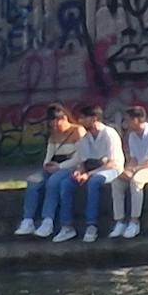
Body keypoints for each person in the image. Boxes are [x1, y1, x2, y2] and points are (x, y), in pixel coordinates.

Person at [46, 104, 123, 243]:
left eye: (83, 118)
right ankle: (66, 227)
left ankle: (91, 225)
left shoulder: (109, 134)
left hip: (111, 170)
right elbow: (83, 162)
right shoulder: (86, 138)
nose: (80, 121)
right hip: (91, 170)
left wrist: (88, 175)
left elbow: (112, 163)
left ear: (94, 119)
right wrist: (79, 172)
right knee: (66, 183)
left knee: (93, 183)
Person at [15, 103, 82, 236]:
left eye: (58, 124)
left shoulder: (77, 131)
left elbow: (79, 158)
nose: (56, 128)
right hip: (54, 166)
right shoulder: (53, 134)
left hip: (69, 166)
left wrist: (59, 167)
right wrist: (47, 165)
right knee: (33, 181)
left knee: (53, 182)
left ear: (64, 119)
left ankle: (48, 220)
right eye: (52, 125)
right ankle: (28, 220)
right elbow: (49, 154)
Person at [109, 104, 148, 239]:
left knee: (137, 180)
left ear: (136, 120)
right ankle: (119, 221)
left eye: (127, 120)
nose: (125, 124)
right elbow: (133, 159)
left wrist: (134, 170)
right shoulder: (132, 136)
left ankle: (134, 222)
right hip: (139, 168)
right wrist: (126, 170)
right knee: (117, 182)